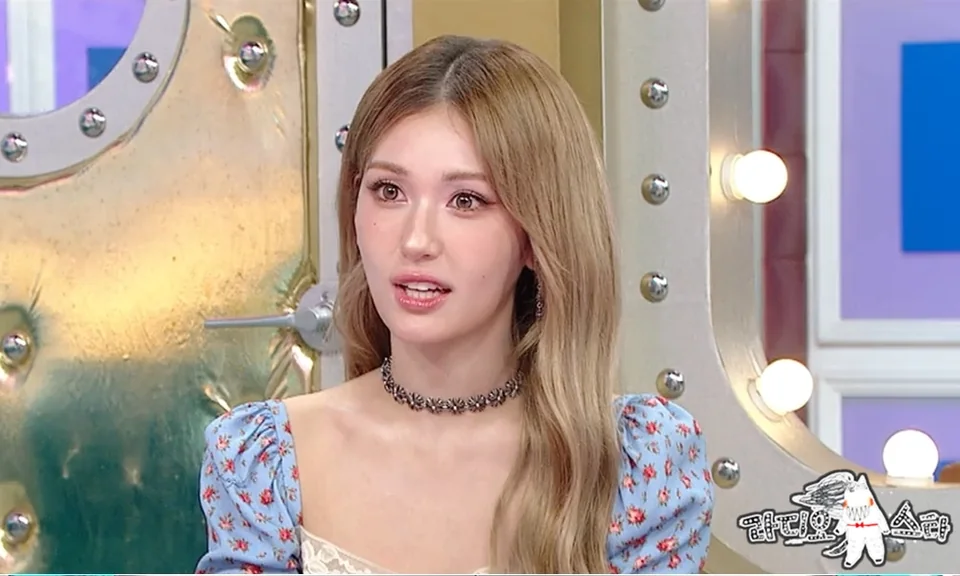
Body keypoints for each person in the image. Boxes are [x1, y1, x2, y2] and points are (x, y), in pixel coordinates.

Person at [195, 35, 714, 574]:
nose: (416, 240)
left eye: (466, 200)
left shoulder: (640, 462)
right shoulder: (264, 462)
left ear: (537, 236)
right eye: (389, 191)